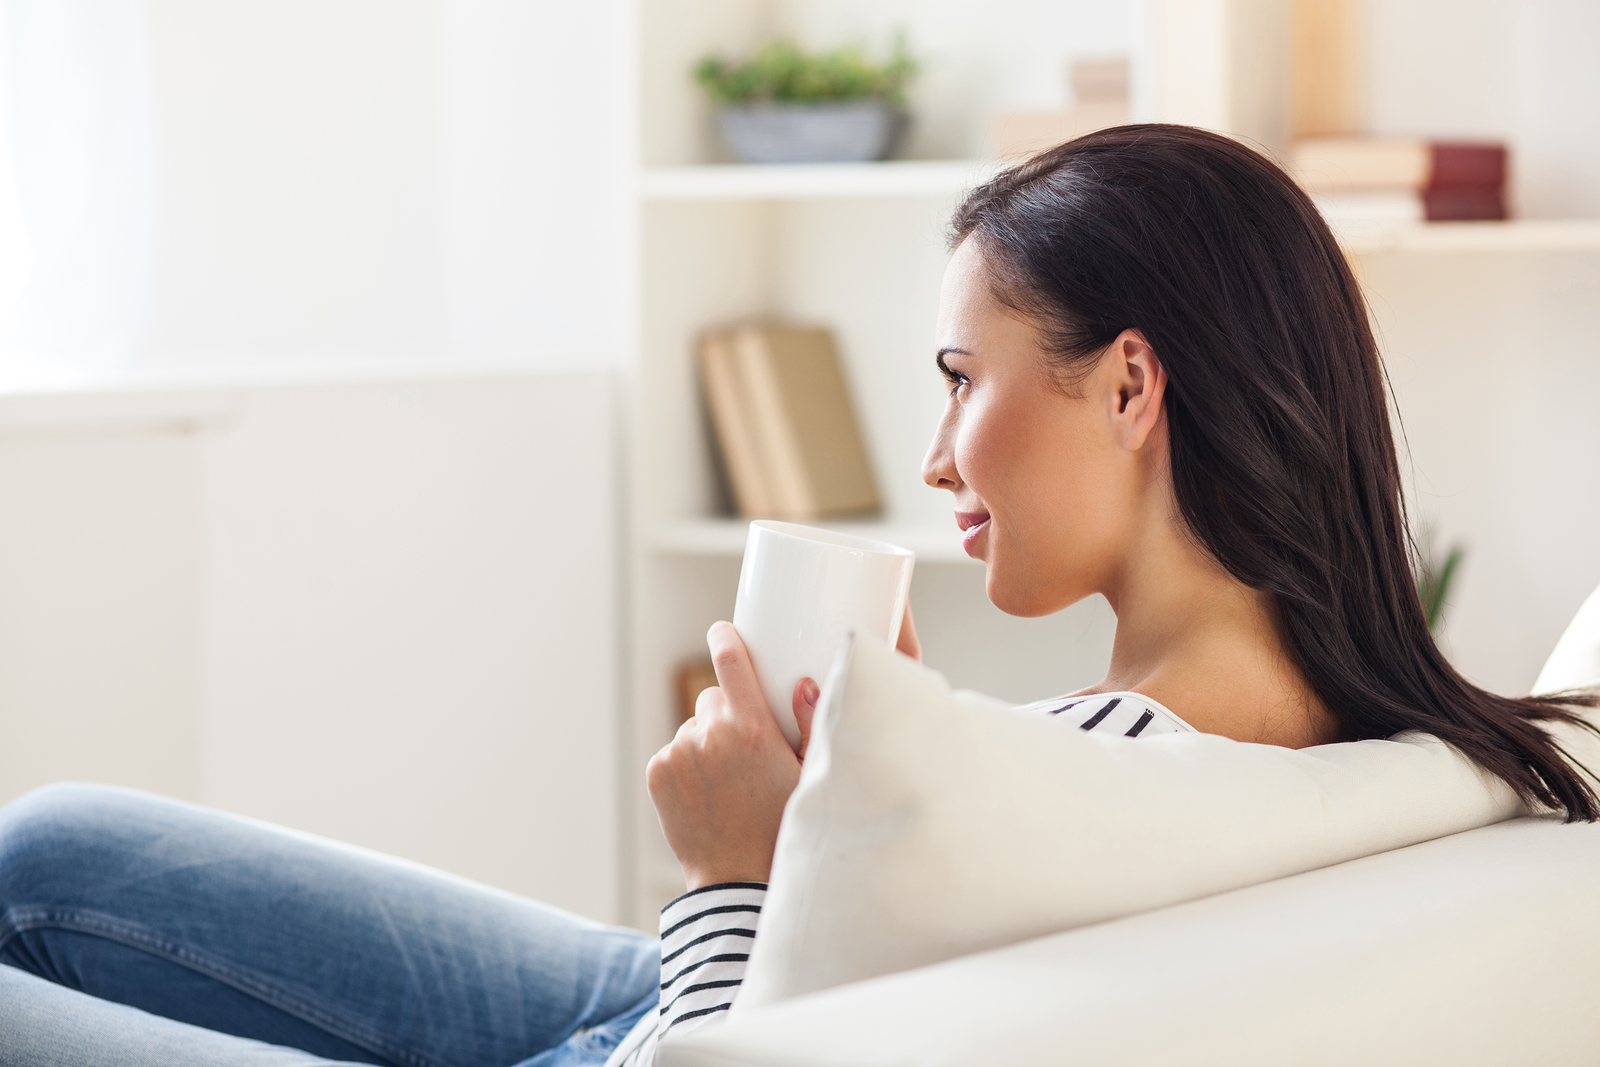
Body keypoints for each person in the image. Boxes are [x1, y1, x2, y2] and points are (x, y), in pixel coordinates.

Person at [2, 125, 1594, 1067]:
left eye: (964, 380)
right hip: (704, 989)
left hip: (660, 1031)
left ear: (1129, 387)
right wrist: (882, 794)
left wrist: (736, 869)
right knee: (51, 847)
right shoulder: (1412, 747)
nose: (936, 454)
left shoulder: (1103, 775)